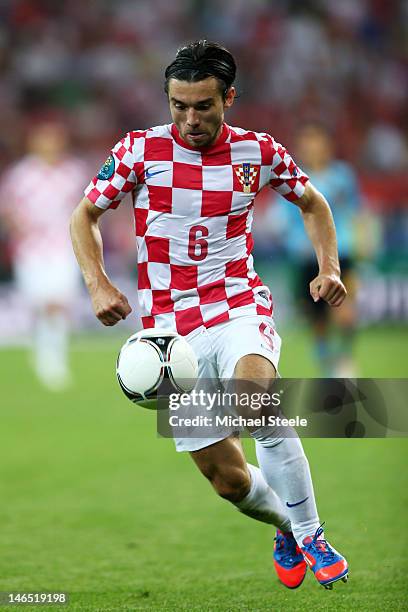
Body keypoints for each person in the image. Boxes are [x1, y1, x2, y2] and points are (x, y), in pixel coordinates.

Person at [70, 41, 349, 590]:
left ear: (229, 98)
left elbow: (313, 203)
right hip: (168, 336)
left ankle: (312, 531)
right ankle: (287, 528)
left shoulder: (259, 152)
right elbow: (84, 216)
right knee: (228, 481)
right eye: (179, 106)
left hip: (237, 305)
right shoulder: (137, 152)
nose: (190, 119)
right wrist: (98, 283)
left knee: (256, 403)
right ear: (167, 100)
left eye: (203, 106)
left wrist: (330, 267)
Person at [267, 122, 360, 376]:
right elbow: (281, 218)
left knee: (346, 313)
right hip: (304, 257)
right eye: (307, 143)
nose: (312, 148)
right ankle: (328, 365)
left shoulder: (343, 176)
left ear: (327, 145)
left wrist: (363, 240)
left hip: (341, 253)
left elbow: (356, 212)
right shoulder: (294, 179)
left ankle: (344, 359)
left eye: (316, 141)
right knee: (317, 320)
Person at [0, 118, 87, 390]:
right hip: (31, 249)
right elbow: (7, 208)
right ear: (33, 143)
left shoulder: (73, 172)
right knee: (40, 304)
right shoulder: (22, 175)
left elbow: (86, 208)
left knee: (59, 303)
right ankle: (44, 355)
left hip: (64, 245)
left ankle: (53, 361)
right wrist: (19, 228)